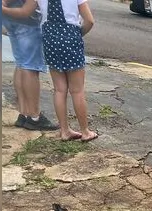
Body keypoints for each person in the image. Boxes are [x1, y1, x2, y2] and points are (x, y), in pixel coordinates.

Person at [37, 0, 97, 141]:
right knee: (77, 90)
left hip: (50, 39)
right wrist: (77, 34)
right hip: (70, 37)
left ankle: (64, 130)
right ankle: (85, 131)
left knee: (59, 89)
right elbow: (89, 21)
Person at [2, 0, 59, 130]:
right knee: (30, 67)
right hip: (26, 22)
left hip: (11, 20)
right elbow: (26, 11)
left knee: (21, 63)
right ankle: (34, 116)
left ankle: (23, 113)